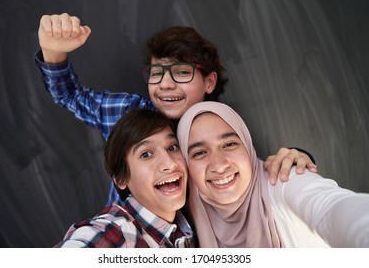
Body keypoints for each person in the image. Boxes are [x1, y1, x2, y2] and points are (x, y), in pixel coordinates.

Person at [35, 13, 317, 204]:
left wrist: (297, 157)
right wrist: (53, 51)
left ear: (209, 81)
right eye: (157, 73)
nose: (165, 84)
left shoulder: (223, 130)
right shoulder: (126, 113)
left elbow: (253, 178)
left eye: (181, 72)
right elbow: (70, 96)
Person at [177, 101, 369, 248]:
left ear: (247, 146)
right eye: (199, 153)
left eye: (229, 144)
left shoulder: (284, 182)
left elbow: (330, 208)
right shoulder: (184, 222)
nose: (219, 166)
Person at [55, 108, 194, 248]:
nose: (170, 164)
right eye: (146, 154)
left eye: (172, 147)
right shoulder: (115, 233)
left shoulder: (188, 228)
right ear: (121, 179)